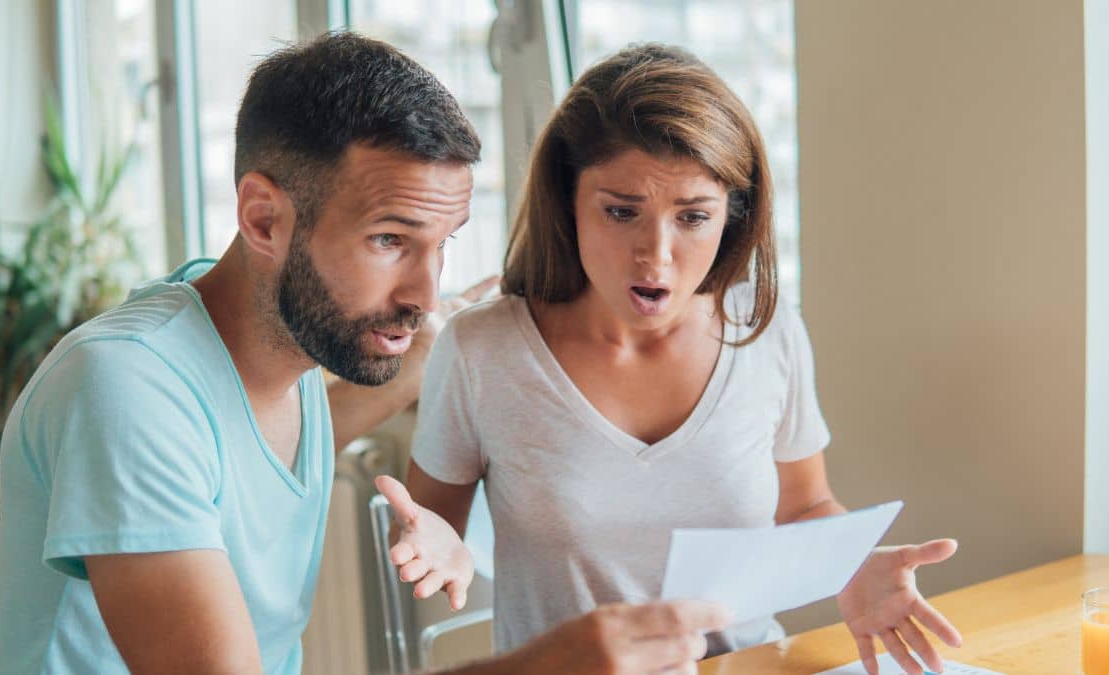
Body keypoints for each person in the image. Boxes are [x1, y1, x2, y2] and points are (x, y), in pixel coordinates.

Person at [0, 33, 727, 675]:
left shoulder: (276, 356)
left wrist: (445, 348)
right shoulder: (127, 386)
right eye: (389, 241)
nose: (423, 290)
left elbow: (252, 453)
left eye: (441, 246)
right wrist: (545, 664)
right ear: (263, 218)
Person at [386, 43, 964, 675]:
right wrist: (440, 544)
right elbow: (430, 522)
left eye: (692, 217)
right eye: (620, 212)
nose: (655, 256)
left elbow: (802, 507)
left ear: (731, 219)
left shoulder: (767, 331)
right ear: (568, 203)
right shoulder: (480, 350)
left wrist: (851, 564)